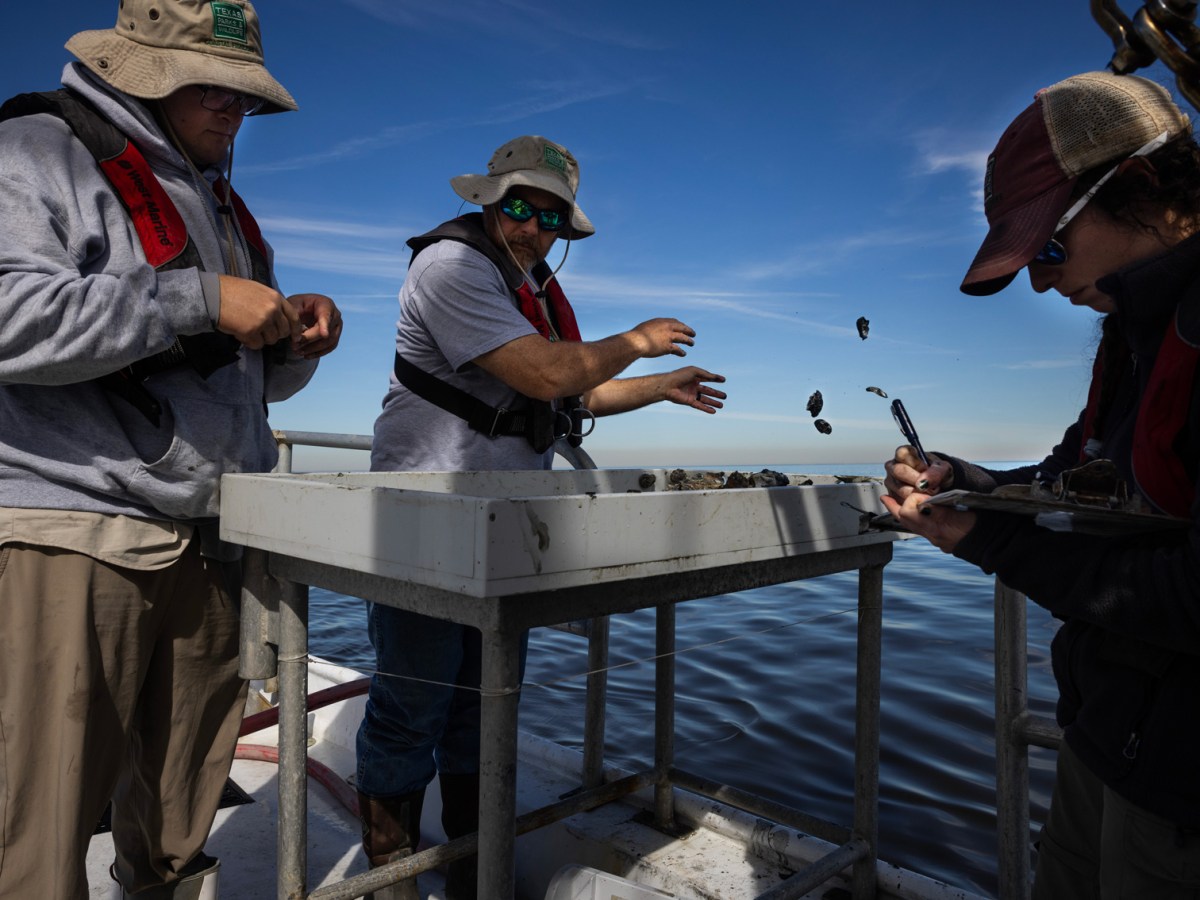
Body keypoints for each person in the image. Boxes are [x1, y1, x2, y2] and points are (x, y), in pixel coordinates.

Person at [0, 1, 343, 897]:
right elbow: (8, 321)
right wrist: (198, 300)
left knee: (182, 811)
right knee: (42, 827)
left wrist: (289, 346)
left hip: (208, 541)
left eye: (245, 96)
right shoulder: (38, 149)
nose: (232, 109)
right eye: (211, 87)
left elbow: (242, 384)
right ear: (135, 70)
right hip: (79, 533)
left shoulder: (220, 202)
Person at [357, 134, 727, 899]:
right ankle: (388, 884)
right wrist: (635, 340)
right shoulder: (451, 266)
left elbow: (578, 394)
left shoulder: (532, 291)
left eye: (552, 217)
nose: (533, 228)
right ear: (491, 200)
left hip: (501, 531)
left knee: (479, 714)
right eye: (522, 207)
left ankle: (467, 880)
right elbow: (547, 371)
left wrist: (658, 385)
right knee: (411, 709)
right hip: (422, 519)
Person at [882, 71, 1200, 898]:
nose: (1040, 282)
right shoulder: (1136, 335)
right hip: (1109, 736)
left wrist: (987, 540)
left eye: (1048, 250)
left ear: (1139, 187)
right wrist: (967, 485)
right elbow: (1074, 479)